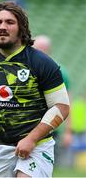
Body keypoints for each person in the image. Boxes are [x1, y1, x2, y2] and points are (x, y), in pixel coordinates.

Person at [0, 2, 70, 177]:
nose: (2, 27)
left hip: (36, 145)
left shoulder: (42, 63)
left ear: (21, 28)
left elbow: (61, 106)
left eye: (10, 22)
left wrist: (32, 138)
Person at [33, 35, 72, 166]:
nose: (40, 52)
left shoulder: (59, 72)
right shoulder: (23, 69)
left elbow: (66, 103)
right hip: (25, 126)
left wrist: (68, 131)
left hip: (49, 127)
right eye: (37, 48)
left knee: (45, 166)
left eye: (43, 49)